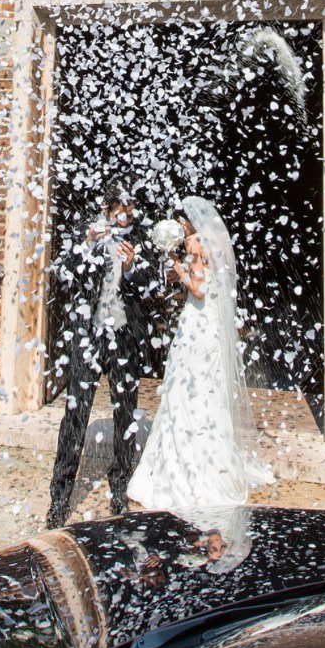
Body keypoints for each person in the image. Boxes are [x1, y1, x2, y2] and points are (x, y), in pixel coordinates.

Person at [128, 197, 271, 529]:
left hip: (196, 323)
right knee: (207, 392)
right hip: (212, 328)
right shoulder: (217, 242)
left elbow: (199, 289)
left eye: (182, 219)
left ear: (190, 220)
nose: (180, 224)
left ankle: (179, 468)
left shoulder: (193, 242)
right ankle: (213, 459)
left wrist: (177, 268)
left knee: (184, 390)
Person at [47, 185, 159, 528]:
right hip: (87, 336)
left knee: (125, 416)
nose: (124, 212)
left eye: (130, 206)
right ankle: (60, 498)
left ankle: (119, 486)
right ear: (107, 208)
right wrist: (86, 246)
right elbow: (64, 275)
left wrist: (130, 267)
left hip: (124, 338)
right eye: (118, 206)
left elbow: (152, 285)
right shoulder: (87, 230)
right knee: (75, 412)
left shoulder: (145, 238)